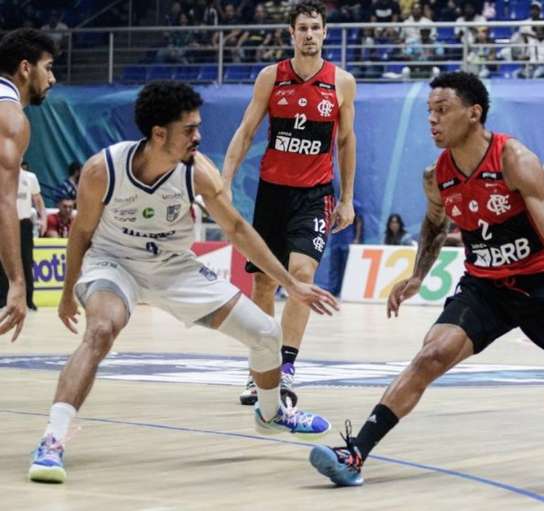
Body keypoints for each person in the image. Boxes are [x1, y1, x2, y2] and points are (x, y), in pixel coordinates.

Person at [308, 71, 544, 486]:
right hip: (486, 287)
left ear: (473, 114)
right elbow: (435, 225)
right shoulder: (436, 175)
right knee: (429, 356)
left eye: (442, 110)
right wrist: (418, 275)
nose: (432, 120)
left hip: (543, 287)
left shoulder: (514, 161)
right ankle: (355, 454)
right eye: (429, 112)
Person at [28, 81, 337, 485]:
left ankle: (271, 412)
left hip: (176, 269)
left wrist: (289, 284)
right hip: (113, 263)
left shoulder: (198, 173)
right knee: (101, 330)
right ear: (159, 134)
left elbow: (239, 230)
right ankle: (52, 439)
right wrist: (69, 293)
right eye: (190, 129)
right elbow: (81, 234)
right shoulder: (102, 171)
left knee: (266, 333)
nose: (199, 136)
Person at [222, 1, 357, 407]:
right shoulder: (270, 78)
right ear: (291, 34)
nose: (310, 34)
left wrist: (346, 199)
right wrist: (224, 182)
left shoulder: (342, 82)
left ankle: (287, 367)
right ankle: (259, 369)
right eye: (303, 28)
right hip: (272, 192)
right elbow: (246, 132)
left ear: (325, 33)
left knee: (301, 274)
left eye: (316, 27)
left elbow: (347, 141)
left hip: (315, 195)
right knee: (263, 281)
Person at [0, 28, 57, 342]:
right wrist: (17, 282)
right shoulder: (11, 118)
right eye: (48, 67)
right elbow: (2, 202)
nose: (52, 78)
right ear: (25, 68)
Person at [0, 164, 46, 311]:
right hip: (5, 223)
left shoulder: (30, 177)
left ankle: (28, 300)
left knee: (26, 261)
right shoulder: (3, 175)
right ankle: (2, 299)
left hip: (24, 223)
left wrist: (43, 218)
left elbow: (38, 199)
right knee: (3, 261)